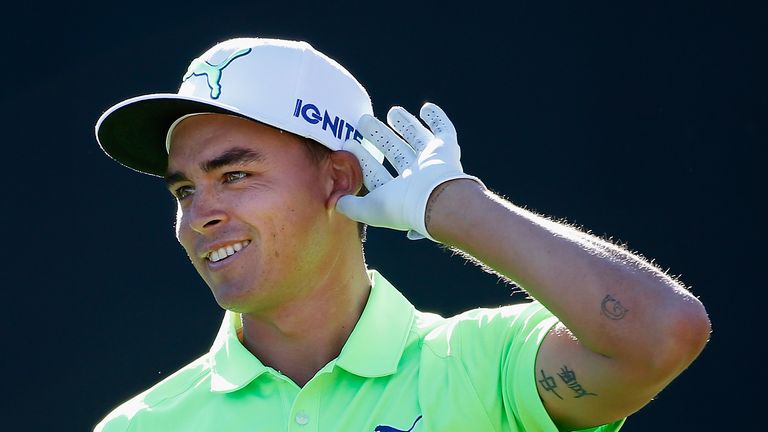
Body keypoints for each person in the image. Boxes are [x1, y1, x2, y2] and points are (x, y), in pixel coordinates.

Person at [93, 37, 710, 432]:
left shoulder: (482, 364)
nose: (199, 214)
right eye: (184, 190)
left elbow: (662, 333)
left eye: (234, 174)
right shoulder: (141, 426)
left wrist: (453, 207)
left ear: (339, 178)